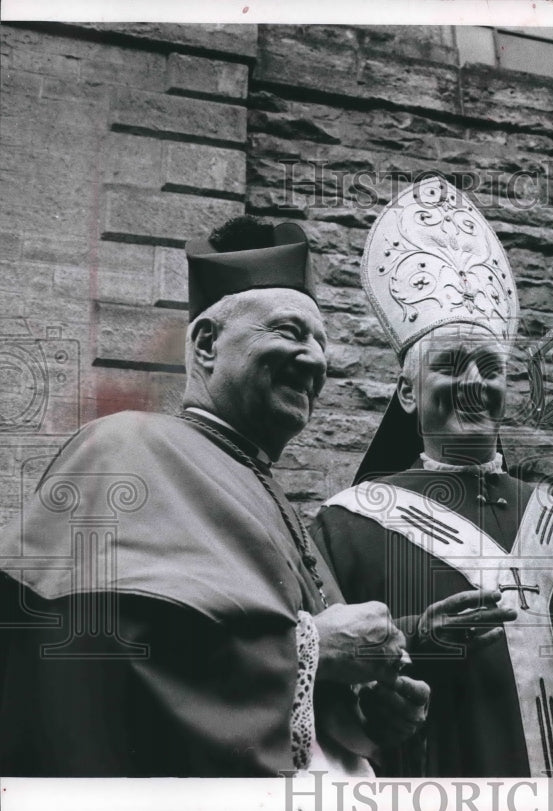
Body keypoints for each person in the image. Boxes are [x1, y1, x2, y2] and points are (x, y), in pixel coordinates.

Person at [0, 216, 429, 776]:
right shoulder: (123, 447)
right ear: (206, 343)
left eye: (322, 343)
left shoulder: (268, 490)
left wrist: (367, 714)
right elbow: (81, 657)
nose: (318, 360)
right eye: (290, 333)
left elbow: (296, 715)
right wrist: (309, 651)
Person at [310, 177, 553, 777]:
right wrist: (415, 639)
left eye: (490, 367)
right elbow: (321, 687)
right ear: (406, 391)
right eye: (451, 366)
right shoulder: (350, 524)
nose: (475, 383)